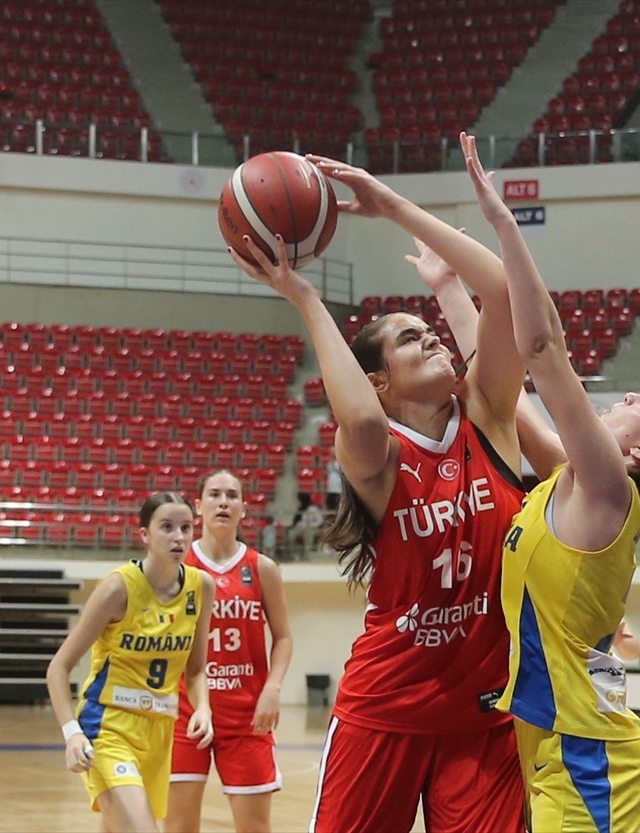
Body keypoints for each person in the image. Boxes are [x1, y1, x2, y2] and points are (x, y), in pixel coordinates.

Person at [231, 153, 529, 833]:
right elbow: (360, 415)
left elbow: (507, 293)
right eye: (407, 337)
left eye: (428, 328)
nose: (430, 333)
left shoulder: (489, 417)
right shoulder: (378, 455)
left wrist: (392, 205)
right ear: (380, 380)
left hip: (481, 719)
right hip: (385, 710)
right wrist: (305, 296)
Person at [461, 132, 640, 833]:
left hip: (589, 753)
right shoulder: (568, 484)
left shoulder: (608, 488)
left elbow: (540, 347)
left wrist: (503, 221)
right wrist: (452, 297)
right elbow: (498, 395)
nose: (631, 397)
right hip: (550, 735)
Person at [45, 493, 215, 833]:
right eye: (166, 527)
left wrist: (203, 708)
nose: (178, 536)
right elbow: (58, 668)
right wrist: (71, 734)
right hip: (108, 727)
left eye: (186, 527)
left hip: (159, 730)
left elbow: (195, 670)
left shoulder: (201, 587)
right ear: (145, 535)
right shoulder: (117, 589)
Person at [166, 471, 293, 833]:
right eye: (215, 494)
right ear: (198, 506)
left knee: (254, 828)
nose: (223, 501)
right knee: (178, 827)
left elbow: (283, 637)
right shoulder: (177, 566)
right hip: (184, 713)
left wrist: (273, 687)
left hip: (247, 716)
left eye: (232, 495)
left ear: (244, 510)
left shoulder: (262, 567)